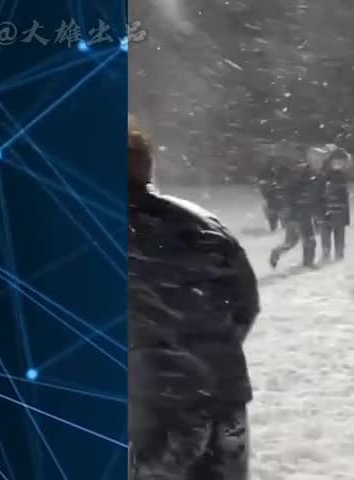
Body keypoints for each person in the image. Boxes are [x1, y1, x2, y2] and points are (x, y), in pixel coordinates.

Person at [128, 114, 259, 480]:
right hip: (223, 397)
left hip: (148, 407)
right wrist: (208, 352)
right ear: (148, 167)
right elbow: (245, 303)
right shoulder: (204, 223)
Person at [269, 156, 320, 269]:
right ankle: (308, 263)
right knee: (309, 240)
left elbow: (287, 196)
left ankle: (276, 252)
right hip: (300, 214)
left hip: (293, 215)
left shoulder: (294, 178)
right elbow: (301, 197)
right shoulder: (302, 179)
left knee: (291, 242)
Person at [318, 148, 352, 261]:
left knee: (339, 235)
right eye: (338, 161)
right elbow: (318, 193)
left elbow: (345, 198)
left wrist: (346, 217)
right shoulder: (324, 175)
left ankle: (338, 255)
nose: (340, 164)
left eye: (342, 162)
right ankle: (326, 254)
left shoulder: (343, 175)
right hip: (326, 210)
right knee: (326, 234)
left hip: (339, 211)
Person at [258, 157, 287, 232]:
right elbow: (264, 189)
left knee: (276, 215)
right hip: (275, 198)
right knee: (276, 214)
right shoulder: (268, 173)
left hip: (276, 199)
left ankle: (278, 228)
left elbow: (264, 189)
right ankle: (277, 228)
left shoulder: (280, 173)